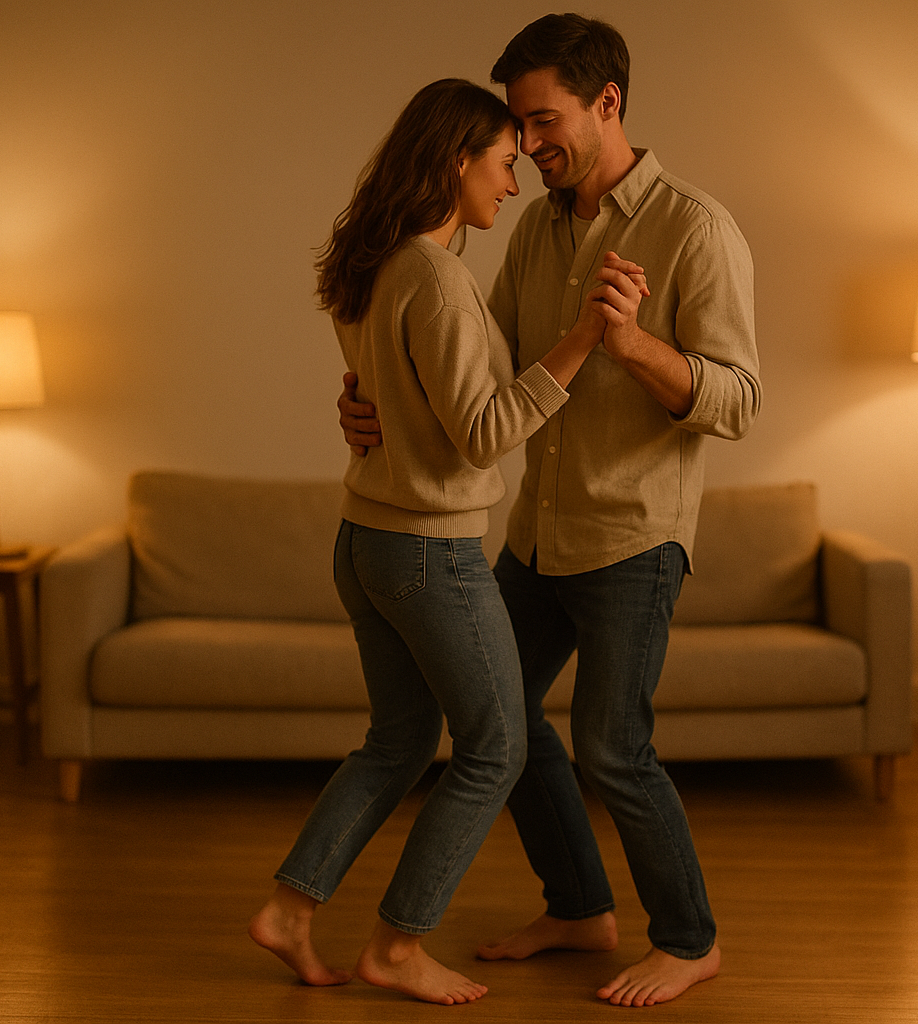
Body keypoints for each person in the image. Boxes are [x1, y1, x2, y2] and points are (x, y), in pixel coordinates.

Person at [339, 15, 761, 1008]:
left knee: (615, 746)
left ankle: (690, 937)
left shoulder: (696, 227)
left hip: (633, 535)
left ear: (606, 103)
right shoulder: (537, 228)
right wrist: (368, 397)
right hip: (537, 533)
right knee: (502, 719)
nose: (526, 149)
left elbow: (739, 399)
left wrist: (636, 346)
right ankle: (578, 906)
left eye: (542, 121)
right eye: (518, 131)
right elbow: (481, 370)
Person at [248, 78, 648, 1006]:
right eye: (504, 163)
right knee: (496, 746)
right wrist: (587, 336)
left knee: (395, 742)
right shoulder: (436, 276)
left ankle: (290, 911)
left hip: (367, 542)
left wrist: (358, 410)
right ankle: (397, 943)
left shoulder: (373, 263)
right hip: (430, 551)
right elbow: (483, 430)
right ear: (455, 162)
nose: (513, 184)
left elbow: (381, 399)